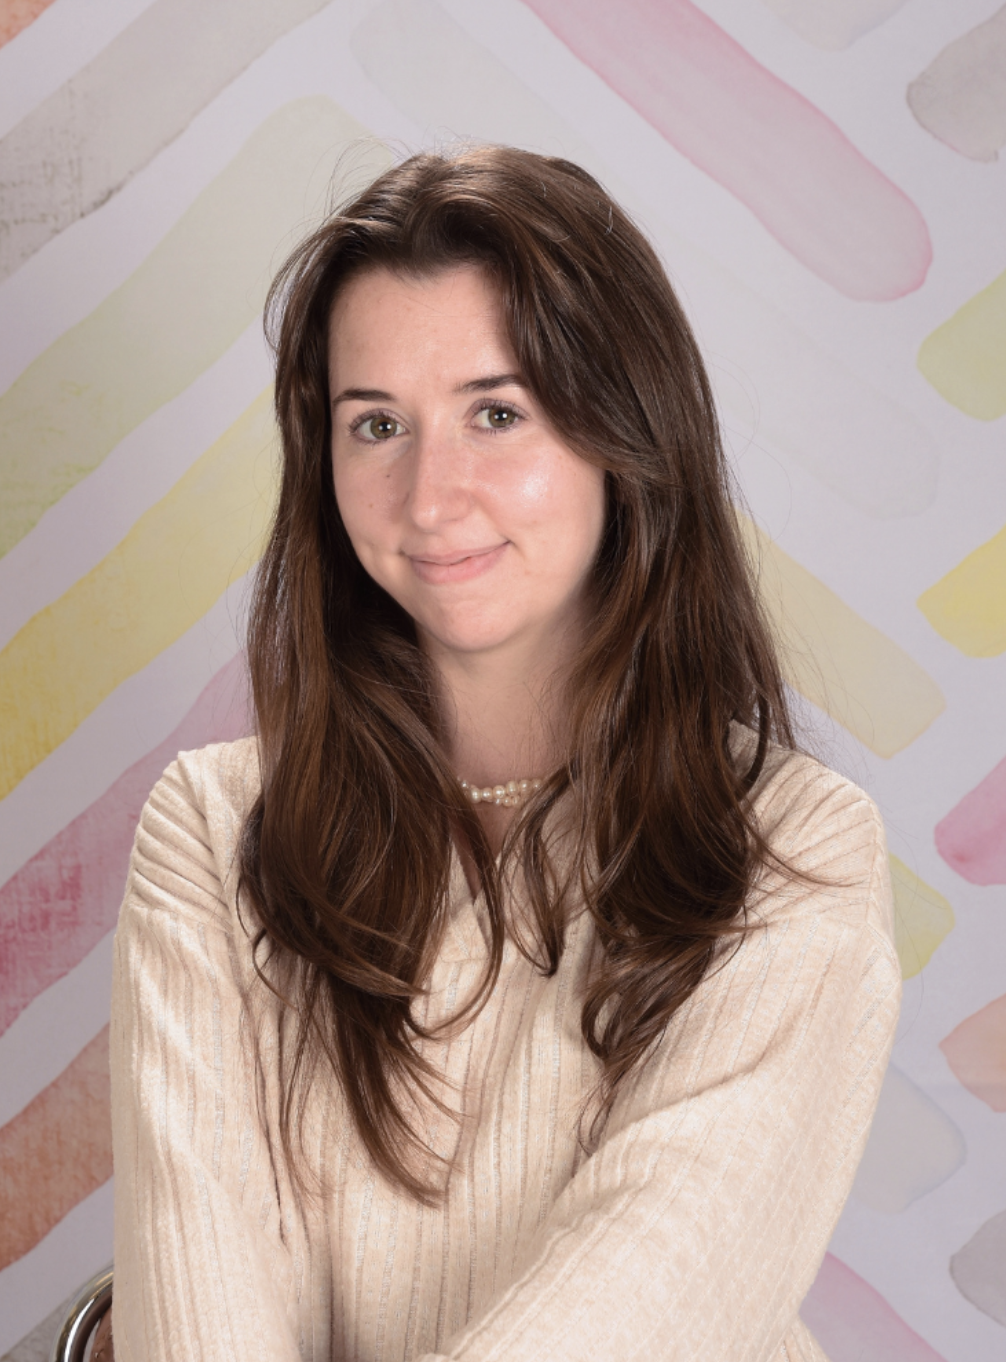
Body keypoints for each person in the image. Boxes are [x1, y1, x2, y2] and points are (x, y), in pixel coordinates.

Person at [109, 146, 900, 1362]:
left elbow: (644, 1304)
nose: (430, 496)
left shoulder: (793, 848)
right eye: (375, 424)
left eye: (496, 412)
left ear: (622, 434)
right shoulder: (215, 835)